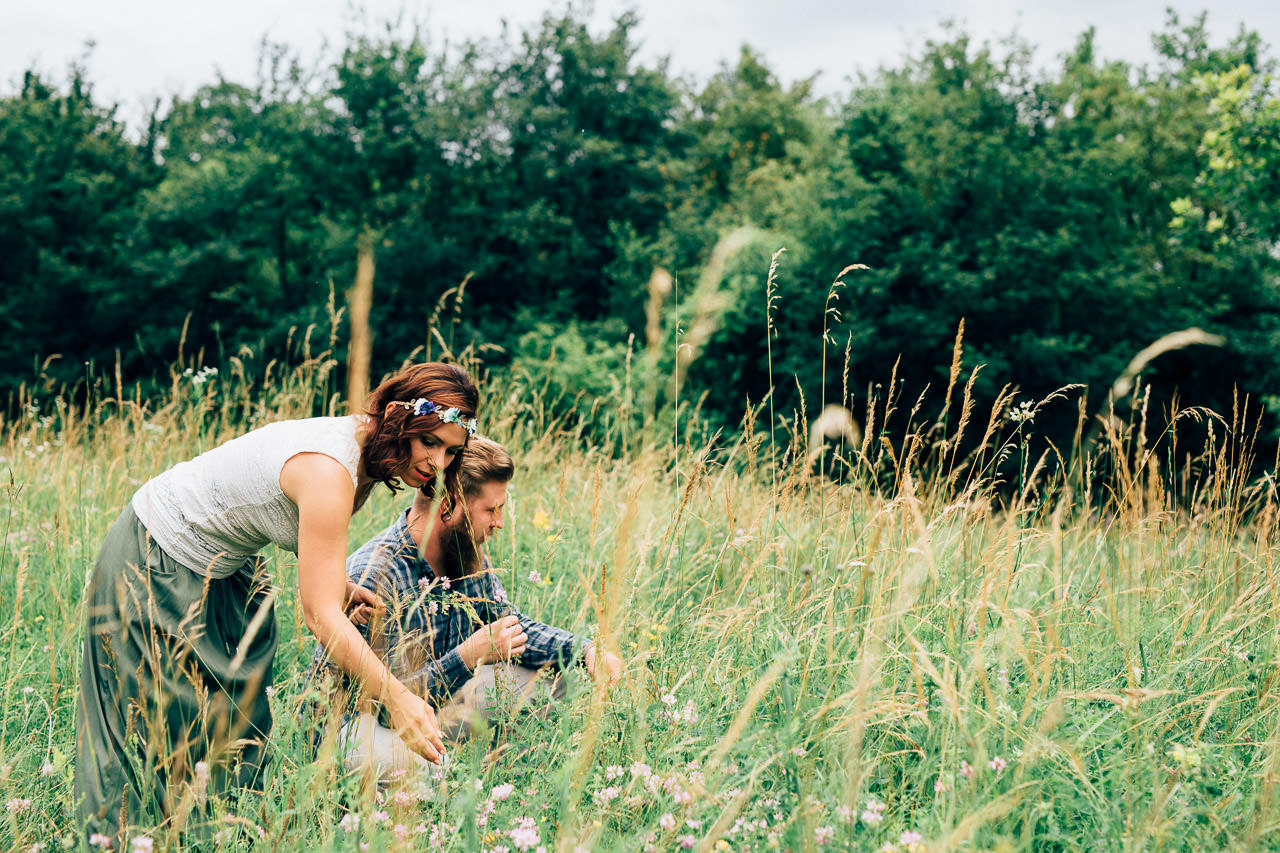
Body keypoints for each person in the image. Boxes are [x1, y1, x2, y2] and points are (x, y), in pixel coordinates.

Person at [75, 362, 478, 841]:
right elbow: (319, 616)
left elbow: (305, 539)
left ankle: (217, 838)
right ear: (396, 417)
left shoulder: (370, 455)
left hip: (227, 568)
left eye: (451, 450)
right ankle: (118, 840)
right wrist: (399, 698)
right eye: (429, 441)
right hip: (157, 554)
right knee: (150, 723)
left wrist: (339, 585)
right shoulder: (330, 468)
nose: (439, 462)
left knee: (232, 722)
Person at [313, 436, 622, 780]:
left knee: (562, 679)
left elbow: (509, 624)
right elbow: (385, 706)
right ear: (449, 505)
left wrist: (585, 650)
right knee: (429, 770)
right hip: (356, 728)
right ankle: (441, 785)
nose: (499, 523)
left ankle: (500, 779)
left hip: (433, 706)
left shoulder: (464, 551)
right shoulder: (377, 575)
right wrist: (467, 656)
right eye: (491, 510)